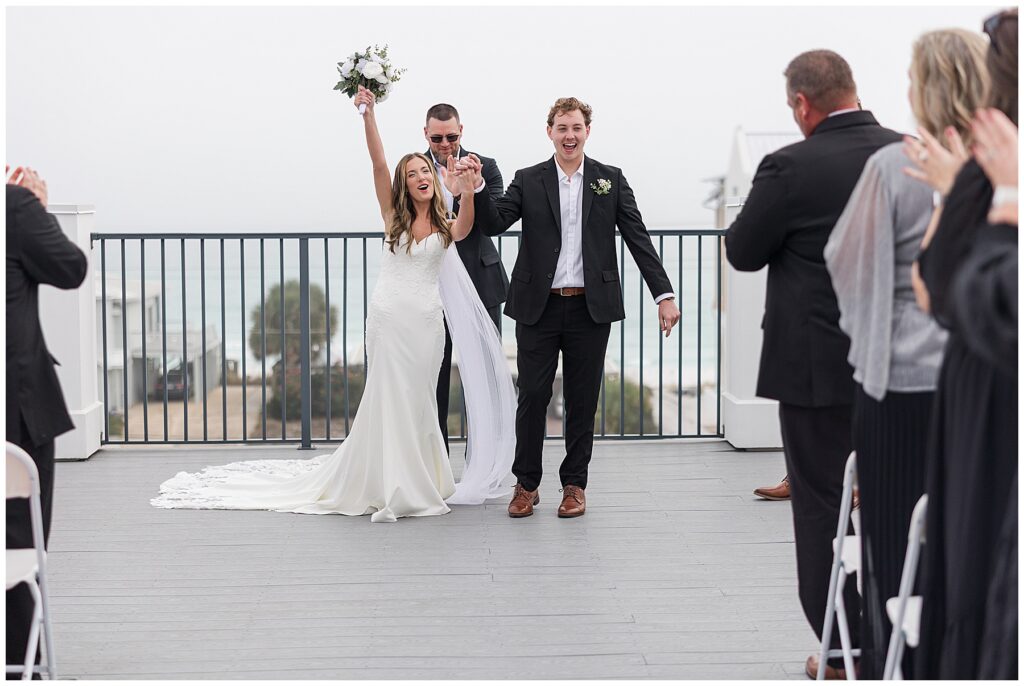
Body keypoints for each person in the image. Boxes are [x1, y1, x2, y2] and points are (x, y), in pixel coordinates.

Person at [153, 85, 516, 522]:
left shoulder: (444, 218)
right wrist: (368, 116)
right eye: (416, 168)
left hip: (426, 322)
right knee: (388, 397)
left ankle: (429, 477)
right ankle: (391, 483)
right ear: (406, 179)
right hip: (389, 319)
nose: (423, 173)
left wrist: (468, 190)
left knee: (419, 398)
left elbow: (465, 229)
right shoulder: (392, 215)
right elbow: (379, 163)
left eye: (426, 170)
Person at [723, 50, 902, 679]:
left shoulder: (789, 167)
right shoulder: (909, 155)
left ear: (802, 104)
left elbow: (742, 251)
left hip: (813, 368)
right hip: (901, 365)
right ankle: (896, 642)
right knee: (896, 506)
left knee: (822, 511)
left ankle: (843, 649)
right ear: (854, 89)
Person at [822, 29, 988, 679]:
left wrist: (872, 343)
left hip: (900, 384)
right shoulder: (1005, 167)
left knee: (893, 543)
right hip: (982, 381)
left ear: (924, 89)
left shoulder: (895, 166)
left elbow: (849, 263)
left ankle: (896, 663)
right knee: (967, 536)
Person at [467, 97, 680, 519]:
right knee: (532, 396)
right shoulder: (528, 179)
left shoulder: (610, 179)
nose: (569, 135)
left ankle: (574, 485)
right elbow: (493, 223)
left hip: (590, 309)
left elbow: (637, 237)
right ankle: (526, 484)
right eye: (562, 127)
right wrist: (475, 188)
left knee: (582, 401)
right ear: (550, 132)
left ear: (587, 131)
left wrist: (663, 294)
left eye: (576, 127)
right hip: (537, 307)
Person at [908, 7, 1018, 677]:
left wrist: (974, 196)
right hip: (977, 378)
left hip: (992, 387)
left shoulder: (991, 169)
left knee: (974, 557)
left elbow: (939, 290)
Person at [6, 165, 89, 675]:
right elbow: (71, 268)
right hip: (15, 415)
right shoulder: (12, 208)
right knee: (17, 546)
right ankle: (20, 666)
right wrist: (32, 204)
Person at [422, 103, 509, 454]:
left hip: (480, 283)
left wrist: (474, 188)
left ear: (462, 132)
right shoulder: (415, 169)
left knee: (484, 378)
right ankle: (437, 465)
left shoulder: (485, 166)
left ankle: (484, 461)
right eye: (437, 137)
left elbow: (494, 224)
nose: (445, 144)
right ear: (425, 135)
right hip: (433, 285)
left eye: (451, 136)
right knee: (434, 378)